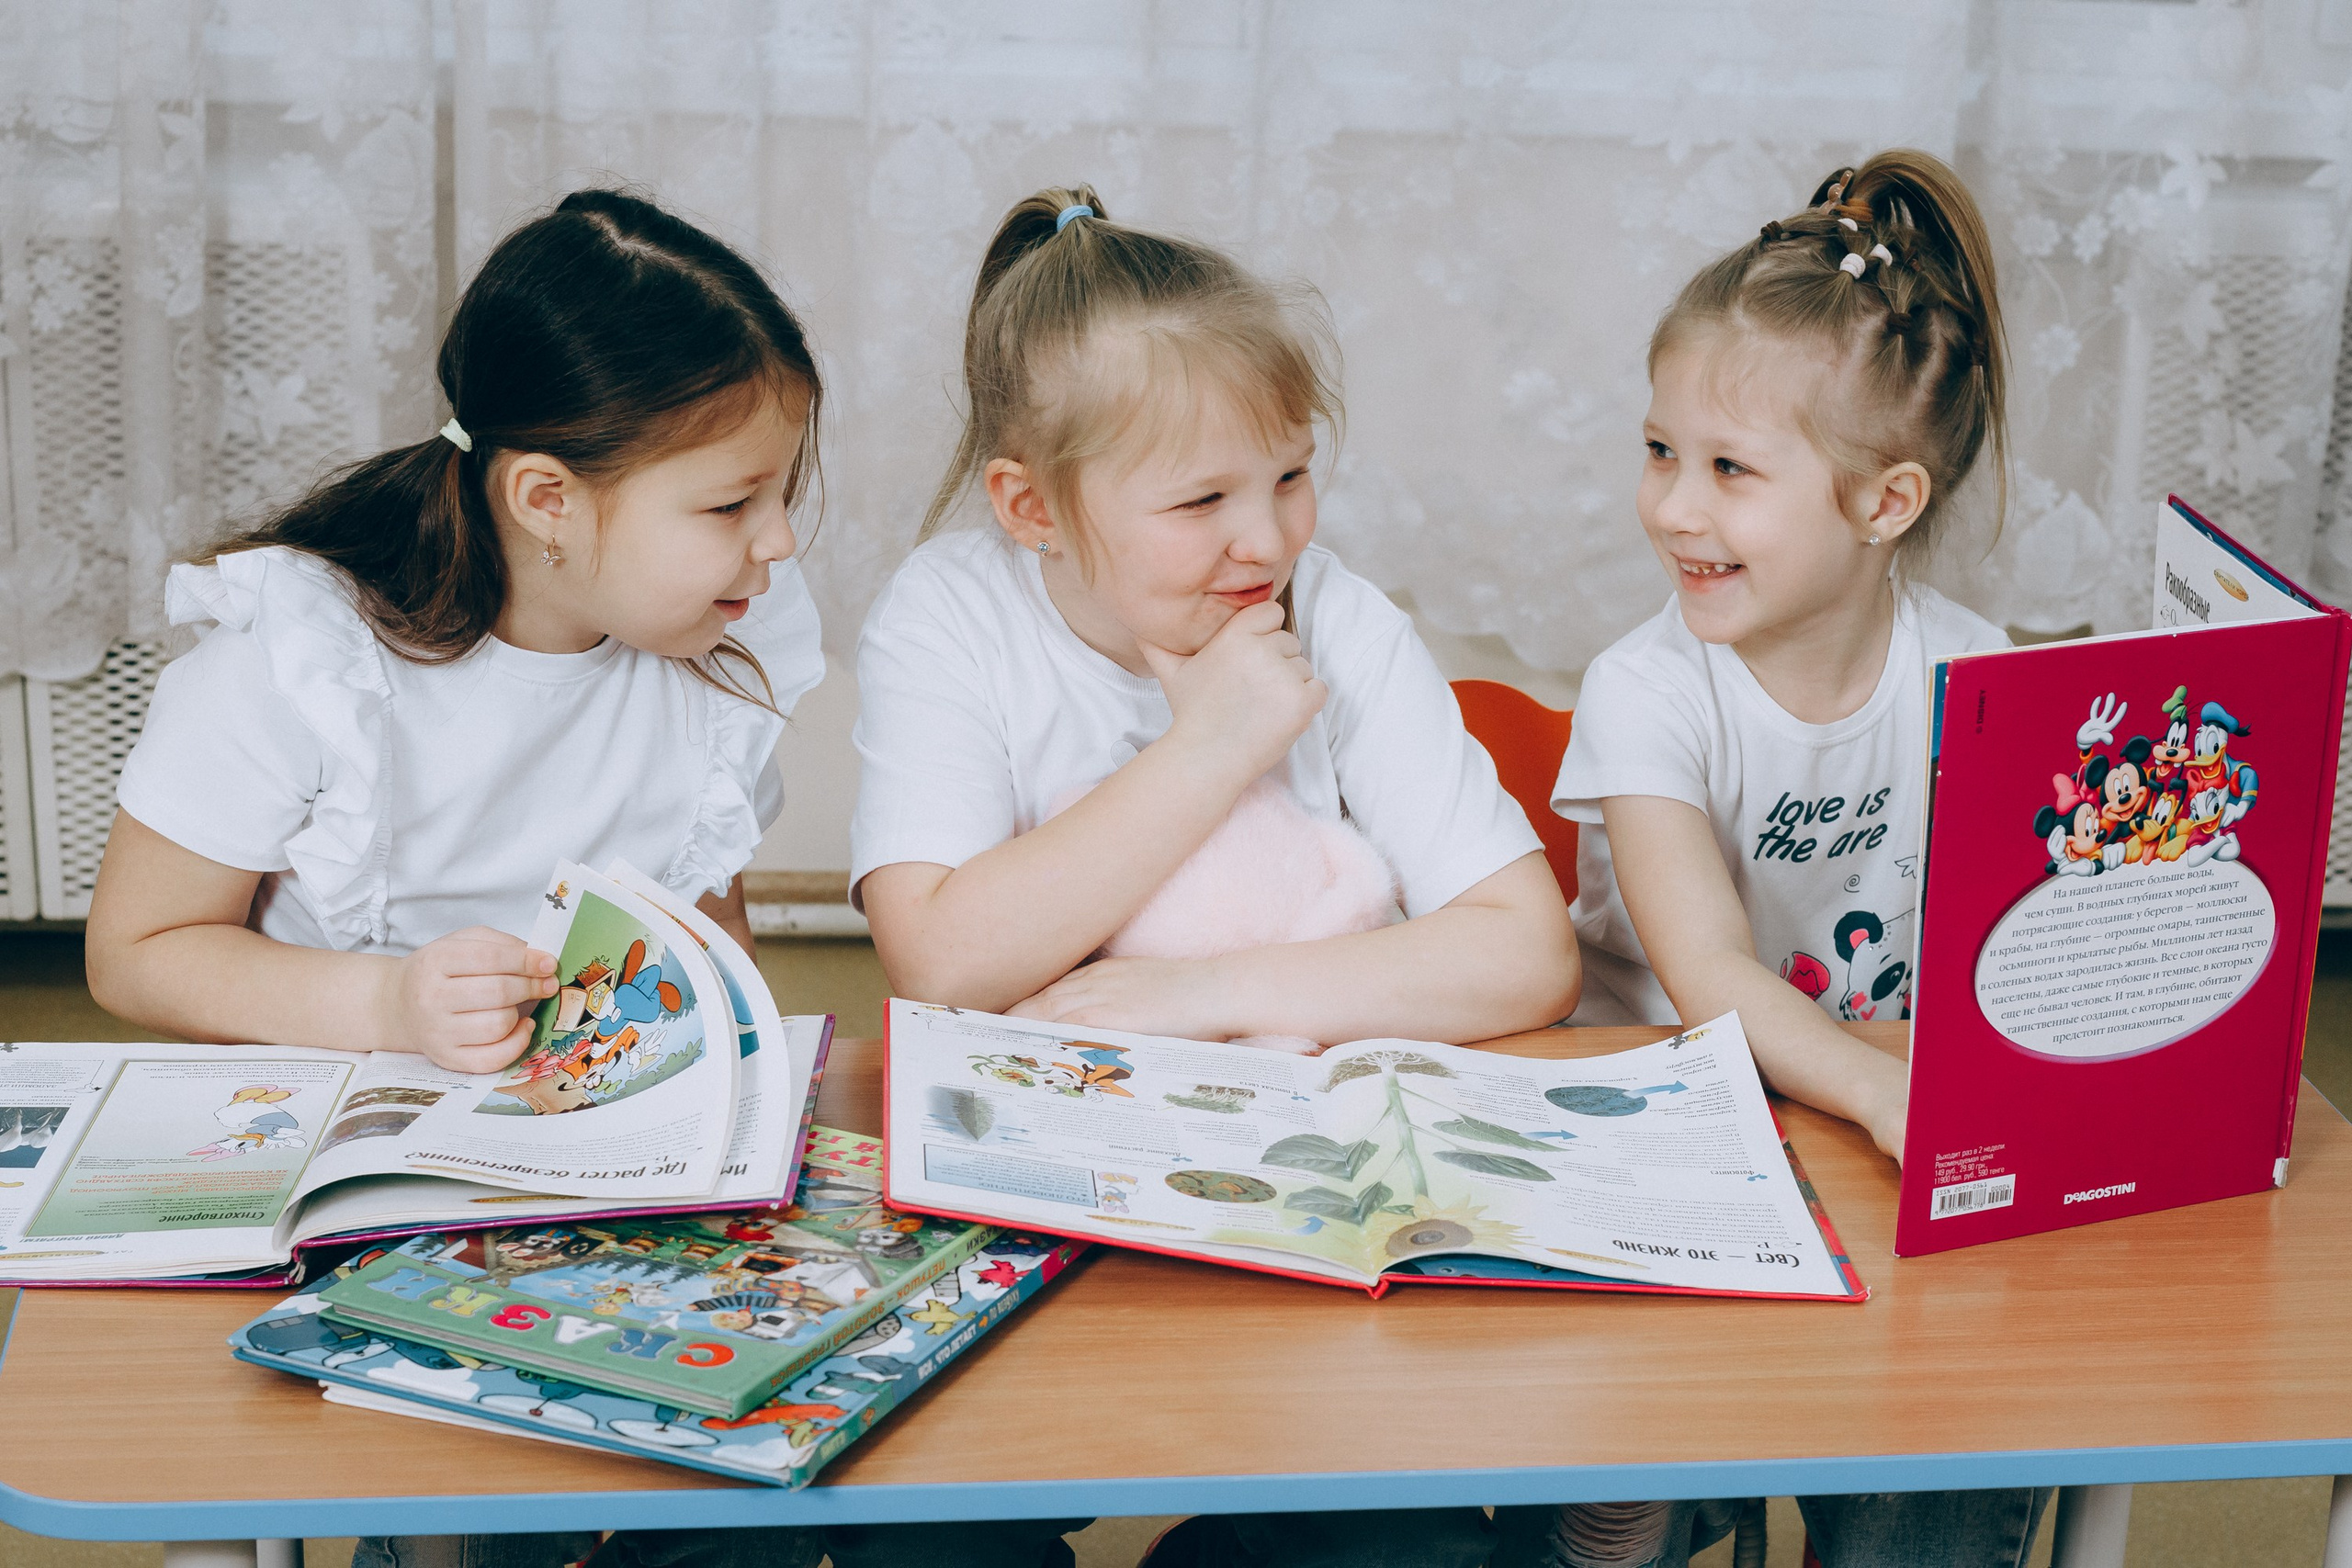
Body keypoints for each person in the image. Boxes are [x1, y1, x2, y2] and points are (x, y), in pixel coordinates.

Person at [84, 189, 831, 1568]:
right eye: (733, 503)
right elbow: (136, 950)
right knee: (477, 1494)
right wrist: (390, 1005)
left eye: (784, 492)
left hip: (584, 1169)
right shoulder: (301, 661)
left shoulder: (713, 656)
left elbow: (706, 929)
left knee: (750, 1477)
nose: (778, 541)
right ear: (547, 498)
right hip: (335, 1158)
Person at [851, 186, 1579, 1567]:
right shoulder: (951, 618)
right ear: (1031, 506)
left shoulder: (1337, 614)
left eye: (1290, 476)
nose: (1270, 541)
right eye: (1202, 501)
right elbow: (941, 959)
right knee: (917, 1528)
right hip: (1035, 1230)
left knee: (1405, 1550)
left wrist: (1197, 994)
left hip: (1299, 1218)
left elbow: (1527, 952)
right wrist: (1214, 743)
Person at [1530, 152, 2050, 1566]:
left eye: (1730, 471)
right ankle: (1647, 1503)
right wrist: (1885, 1096)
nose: (1672, 508)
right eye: (1660, 452)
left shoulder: (1976, 675)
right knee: (1620, 1490)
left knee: (1949, 1458)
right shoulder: (1648, 690)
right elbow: (1704, 974)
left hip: (1863, 1123)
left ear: (1885, 503)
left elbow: (2006, 945)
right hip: (1662, 1139)